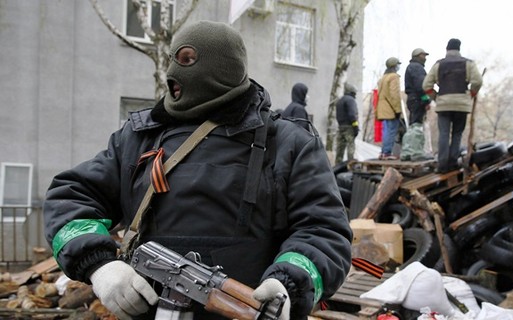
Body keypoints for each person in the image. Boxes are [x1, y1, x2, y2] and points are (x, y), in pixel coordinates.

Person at [43, 20, 352, 320]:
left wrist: (289, 282)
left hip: (245, 309)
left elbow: (323, 229)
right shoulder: (137, 138)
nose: (173, 72)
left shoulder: (288, 143)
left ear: (222, 68)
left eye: (187, 59)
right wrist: (100, 266)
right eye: (172, 59)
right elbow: (69, 197)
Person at [423, 38, 483, 173]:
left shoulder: (439, 64)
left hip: (443, 103)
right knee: (457, 133)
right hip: (461, 104)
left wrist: (435, 97)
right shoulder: (468, 63)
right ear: (459, 49)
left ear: (447, 49)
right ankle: (453, 163)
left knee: (444, 133)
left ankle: (442, 165)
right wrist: (471, 94)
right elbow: (478, 81)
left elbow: (426, 85)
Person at [401, 48, 432, 161]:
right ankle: (416, 153)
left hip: (412, 98)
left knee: (413, 125)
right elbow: (421, 85)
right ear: (418, 56)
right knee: (417, 126)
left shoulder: (411, 67)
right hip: (417, 99)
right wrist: (426, 100)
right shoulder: (417, 68)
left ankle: (408, 152)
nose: (425, 58)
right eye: (423, 55)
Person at [376, 57, 404, 160]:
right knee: (391, 131)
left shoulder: (383, 78)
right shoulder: (394, 77)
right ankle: (387, 153)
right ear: (394, 66)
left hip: (382, 109)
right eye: (398, 64)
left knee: (386, 131)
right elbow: (394, 95)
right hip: (390, 109)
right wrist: (398, 110)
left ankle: (384, 152)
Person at [335, 83, 359, 164]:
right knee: (350, 146)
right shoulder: (350, 100)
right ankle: (350, 164)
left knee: (340, 148)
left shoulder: (340, 100)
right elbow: (352, 114)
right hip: (349, 127)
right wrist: (355, 126)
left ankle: (337, 165)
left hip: (341, 127)